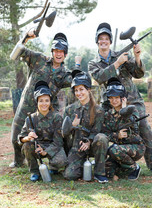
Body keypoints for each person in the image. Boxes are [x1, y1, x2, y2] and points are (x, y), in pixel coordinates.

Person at [88, 22, 152, 175]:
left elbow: (138, 73)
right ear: (97, 41)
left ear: (110, 41)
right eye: (100, 39)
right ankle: (106, 165)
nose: (103, 41)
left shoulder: (123, 55)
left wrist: (137, 57)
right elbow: (99, 77)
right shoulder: (94, 63)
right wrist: (117, 63)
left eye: (106, 38)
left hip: (132, 100)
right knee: (105, 131)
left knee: (144, 127)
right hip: (111, 104)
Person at [10, 31, 81, 168]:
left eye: (62, 52)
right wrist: (26, 37)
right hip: (26, 105)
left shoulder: (65, 74)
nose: (58, 54)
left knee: (48, 136)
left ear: (65, 54)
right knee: (16, 136)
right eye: (56, 51)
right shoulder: (39, 59)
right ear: (52, 51)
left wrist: (77, 65)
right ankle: (19, 161)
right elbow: (17, 52)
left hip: (45, 110)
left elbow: (77, 81)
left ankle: (50, 160)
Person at [63, 70, 108, 183]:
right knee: (69, 175)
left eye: (81, 89)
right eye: (76, 90)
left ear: (88, 90)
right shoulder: (69, 110)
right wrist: (72, 126)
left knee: (101, 138)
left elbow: (97, 130)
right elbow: (63, 132)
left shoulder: (98, 110)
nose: (79, 93)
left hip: (94, 146)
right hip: (77, 148)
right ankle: (83, 165)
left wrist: (89, 141)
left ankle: (99, 172)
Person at [18, 81, 67, 181]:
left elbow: (58, 141)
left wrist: (46, 152)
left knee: (61, 161)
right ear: (37, 102)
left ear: (50, 102)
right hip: (37, 147)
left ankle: (54, 167)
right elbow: (20, 138)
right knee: (27, 145)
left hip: (52, 146)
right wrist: (28, 137)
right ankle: (35, 171)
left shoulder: (57, 117)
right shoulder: (30, 118)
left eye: (46, 100)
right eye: (41, 101)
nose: (44, 103)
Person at [102, 78, 146, 180]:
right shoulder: (108, 115)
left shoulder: (132, 109)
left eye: (117, 97)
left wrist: (124, 110)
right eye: (111, 98)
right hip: (118, 149)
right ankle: (123, 168)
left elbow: (135, 127)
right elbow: (105, 133)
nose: (114, 100)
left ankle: (134, 167)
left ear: (123, 98)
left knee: (114, 150)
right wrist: (117, 135)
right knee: (107, 171)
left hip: (135, 147)